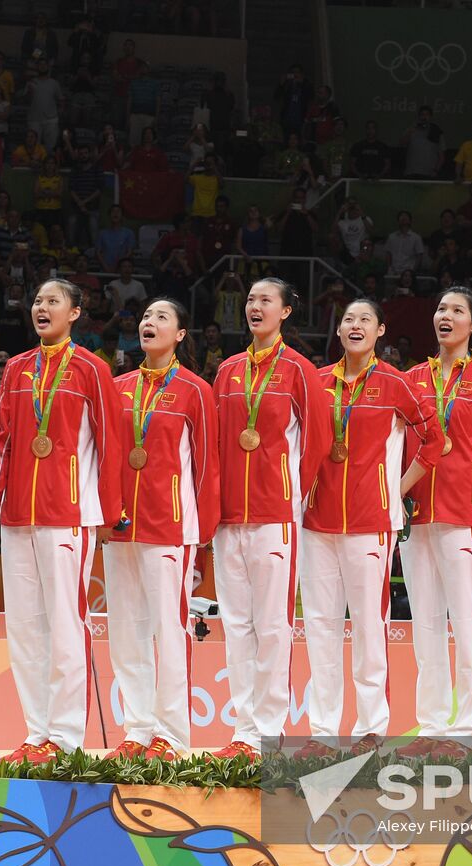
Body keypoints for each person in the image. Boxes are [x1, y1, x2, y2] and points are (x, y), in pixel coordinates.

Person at [0, 280, 122, 765]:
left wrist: (111, 513)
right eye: (37, 300)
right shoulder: (16, 368)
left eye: (52, 301)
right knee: (25, 626)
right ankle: (36, 732)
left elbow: (110, 444)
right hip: (17, 514)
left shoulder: (92, 368)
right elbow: (3, 436)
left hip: (68, 512)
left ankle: (65, 737)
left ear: (75, 312)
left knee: (66, 623)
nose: (41, 308)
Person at [296, 299, 429, 757]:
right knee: (320, 626)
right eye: (348, 319)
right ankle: (323, 731)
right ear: (338, 330)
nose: (355, 326)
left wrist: (397, 487)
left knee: (370, 627)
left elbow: (436, 439)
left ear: (380, 331)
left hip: (372, 522)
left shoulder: (395, 382)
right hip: (316, 522)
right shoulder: (316, 381)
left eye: (364, 320)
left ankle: (372, 728)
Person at [210, 278, 331, 758]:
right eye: (251, 300)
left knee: (273, 625)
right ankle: (243, 731)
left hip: (275, 514)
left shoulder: (301, 371)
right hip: (229, 517)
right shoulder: (227, 371)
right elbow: (218, 444)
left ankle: (269, 730)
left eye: (266, 301)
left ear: (285, 311)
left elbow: (318, 440)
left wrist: (290, 491)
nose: (255, 307)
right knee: (236, 625)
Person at [398, 287, 472, 759]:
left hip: (466, 514)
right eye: (441, 308)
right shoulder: (410, 380)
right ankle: (429, 723)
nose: (446, 316)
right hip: (416, 515)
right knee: (424, 622)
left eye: (457, 311)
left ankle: (465, 729)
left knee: (467, 620)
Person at [104, 298, 219, 760]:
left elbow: (208, 465)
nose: (149, 323)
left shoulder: (195, 391)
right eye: (146, 318)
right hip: (120, 526)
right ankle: (136, 730)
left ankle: (170, 735)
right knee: (126, 630)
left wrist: (205, 528)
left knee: (169, 629)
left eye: (161, 318)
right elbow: (109, 458)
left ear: (181, 334)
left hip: (170, 524)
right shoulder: (118, 387)